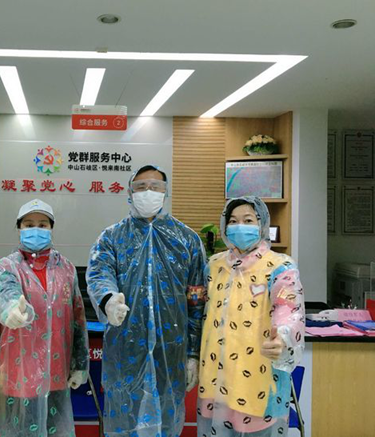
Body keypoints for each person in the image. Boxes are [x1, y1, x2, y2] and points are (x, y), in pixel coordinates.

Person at [86, 165, 207, 437]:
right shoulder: (112, 237)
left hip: (171, 350)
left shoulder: (187, 240)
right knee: (124, 418)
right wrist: (109, 300)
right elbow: (99, 273)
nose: (148, 192)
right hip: (125, 348)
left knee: (167, 419)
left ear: (166, 192)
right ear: (130, 193)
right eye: (140, 187)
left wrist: (192, 354)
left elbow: (196, 300)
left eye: (155, 187)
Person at [197, 197, 305, 437]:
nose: (240, 226)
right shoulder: (214, 266)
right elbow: (200, 310)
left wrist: (283, 336)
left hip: (259, 374)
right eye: (233, 221)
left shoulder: (279, 266)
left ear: (262, 224)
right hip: (216, 377)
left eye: (248, 220)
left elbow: (288, 308)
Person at [0, 199, 89, 437]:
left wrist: (80, 364)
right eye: (29, 224)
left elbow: (77, 317)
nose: (36, 229)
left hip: (57, 371)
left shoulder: (66, 268)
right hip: (19, 373)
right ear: (19, 228)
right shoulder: (7, 267)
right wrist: (11, 310)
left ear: (51, 228)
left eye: (43, 225)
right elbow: (6, 292)